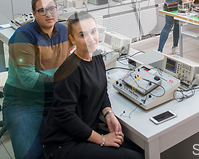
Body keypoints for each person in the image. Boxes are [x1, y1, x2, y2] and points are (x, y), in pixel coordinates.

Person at [42, 12, 144, 159]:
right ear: (72, 39)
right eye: (83, 35)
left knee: (138, 149)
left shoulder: (96, 56)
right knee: (135, 157)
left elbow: (101, 90)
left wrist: (108, 113)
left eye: (93, 32)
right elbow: (65, 116)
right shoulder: (69, 70)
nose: (91, 39)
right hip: (64, 144)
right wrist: (102, 140)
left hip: (85, 132)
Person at [3, 0, 70, 159]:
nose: (49, 14)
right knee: (31, 155)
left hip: (56, 97)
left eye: (52, 9)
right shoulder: (22, 36)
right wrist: (65, 76)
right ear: (33, 13)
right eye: (42, 10)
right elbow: (28, 80)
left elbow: (77, 60)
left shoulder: (64, 31)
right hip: (24, 102)